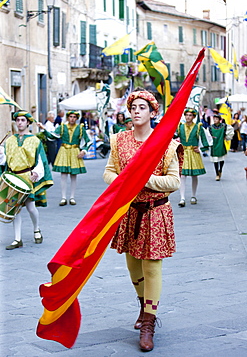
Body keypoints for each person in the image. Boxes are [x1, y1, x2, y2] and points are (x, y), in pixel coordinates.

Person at [103, 89, 183, 352]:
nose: (136, 111)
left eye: (142, 107)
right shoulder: (119, 140)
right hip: (129, 210)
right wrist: (123, 181)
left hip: (155, 210)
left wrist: (142, 178)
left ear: (152, 112)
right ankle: (142, 305)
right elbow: (109, 172)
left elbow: (173, 181)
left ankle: (149, 322)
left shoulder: (167, 143)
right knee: (132, 264)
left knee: (151, 266)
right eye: (133, 107)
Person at [2, 111, 53, 250]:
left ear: (28, 123)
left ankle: (36, 229)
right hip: (13, 177)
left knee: (31, 208)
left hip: (27, 177)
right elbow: (5, 160)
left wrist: (36, 172)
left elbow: (41, 159)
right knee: (15, 209)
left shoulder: (35, 140)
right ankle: (17, 239)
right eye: (17, 120)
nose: (19, 123)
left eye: (23, 120)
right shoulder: (10, 140)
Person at [38, 110, 90, 206]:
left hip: (75, 151)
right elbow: (53, 136)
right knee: (63, 174)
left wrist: (84, 150)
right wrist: (43, 128)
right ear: (67, 118)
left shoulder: (80, 128)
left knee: (74, 175)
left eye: (74, 117)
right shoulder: (62, 127)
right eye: (71, 117)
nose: (72, 119)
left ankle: (72, 197)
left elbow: (88, 141)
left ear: (76, 118)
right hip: (64, 150)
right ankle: (63, 197)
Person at [177, 108, 209, 207]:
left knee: (194, 175)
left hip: (193, 153)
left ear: (194, 117)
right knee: (182, 175)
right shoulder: (180, 127)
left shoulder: (198, 127)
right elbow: (173, 137)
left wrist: (201, 149)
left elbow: (205, 140)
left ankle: (193, 195)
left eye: (190, 115)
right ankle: (182, 197)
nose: (188, 117)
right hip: (183, 153)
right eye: (186, 115)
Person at [208, 113, 234, 181]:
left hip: (221, 144)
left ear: (220, 120)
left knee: (221, 159)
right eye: (214, 119)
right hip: (214, 145)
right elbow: (207, 135)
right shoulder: (210, 127)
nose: (215, 120)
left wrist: (227, 136)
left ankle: (220, 170)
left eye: (216, 119)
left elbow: (230, 132)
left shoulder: (224, 126)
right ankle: (217, 173)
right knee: (215, 160)